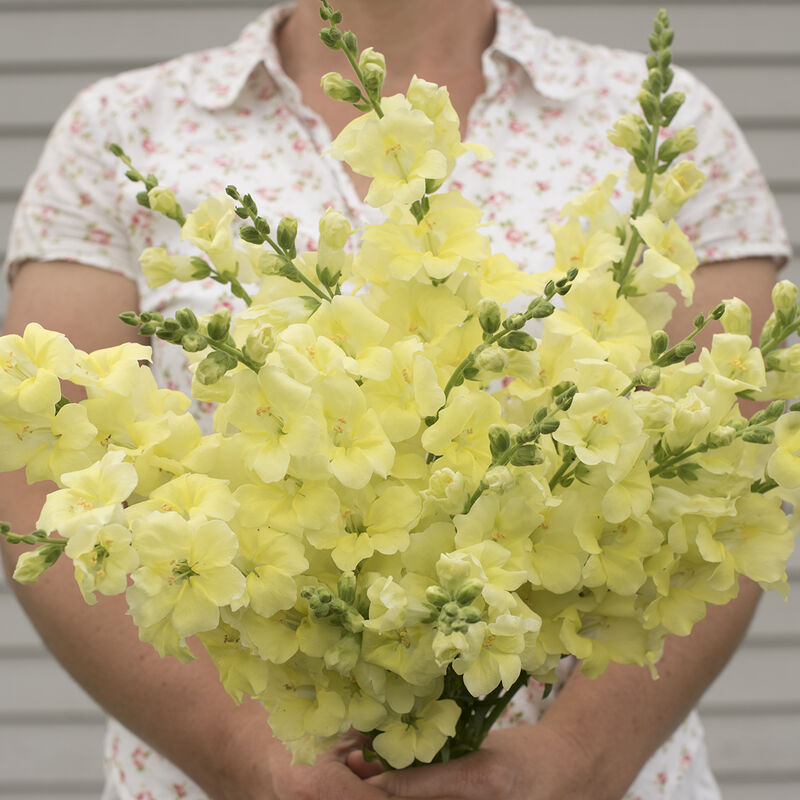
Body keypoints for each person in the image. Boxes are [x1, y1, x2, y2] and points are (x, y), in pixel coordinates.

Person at [0, 1, 790, 798]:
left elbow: (729, 478)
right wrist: (245, 760)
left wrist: (579, 761)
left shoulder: (660, 120)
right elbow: (45, 488)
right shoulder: (125, 125)